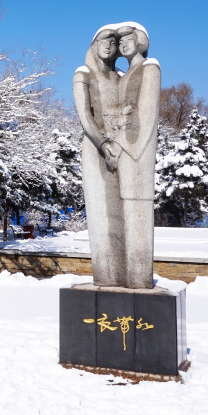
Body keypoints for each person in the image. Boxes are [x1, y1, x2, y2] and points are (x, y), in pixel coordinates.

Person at [73, 22, 160, 288]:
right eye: (105, 42)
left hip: (120, 150)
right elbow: (85, 116)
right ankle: (106, 276)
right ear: (93, 46)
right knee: (102, 213)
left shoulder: (122, 76)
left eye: (114, 43)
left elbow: (136, 112)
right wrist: (102, 143)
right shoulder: (83, 73)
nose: (111, 47)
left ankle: (123, 276)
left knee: (120, 214)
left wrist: (118, 144)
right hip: (97, 148)